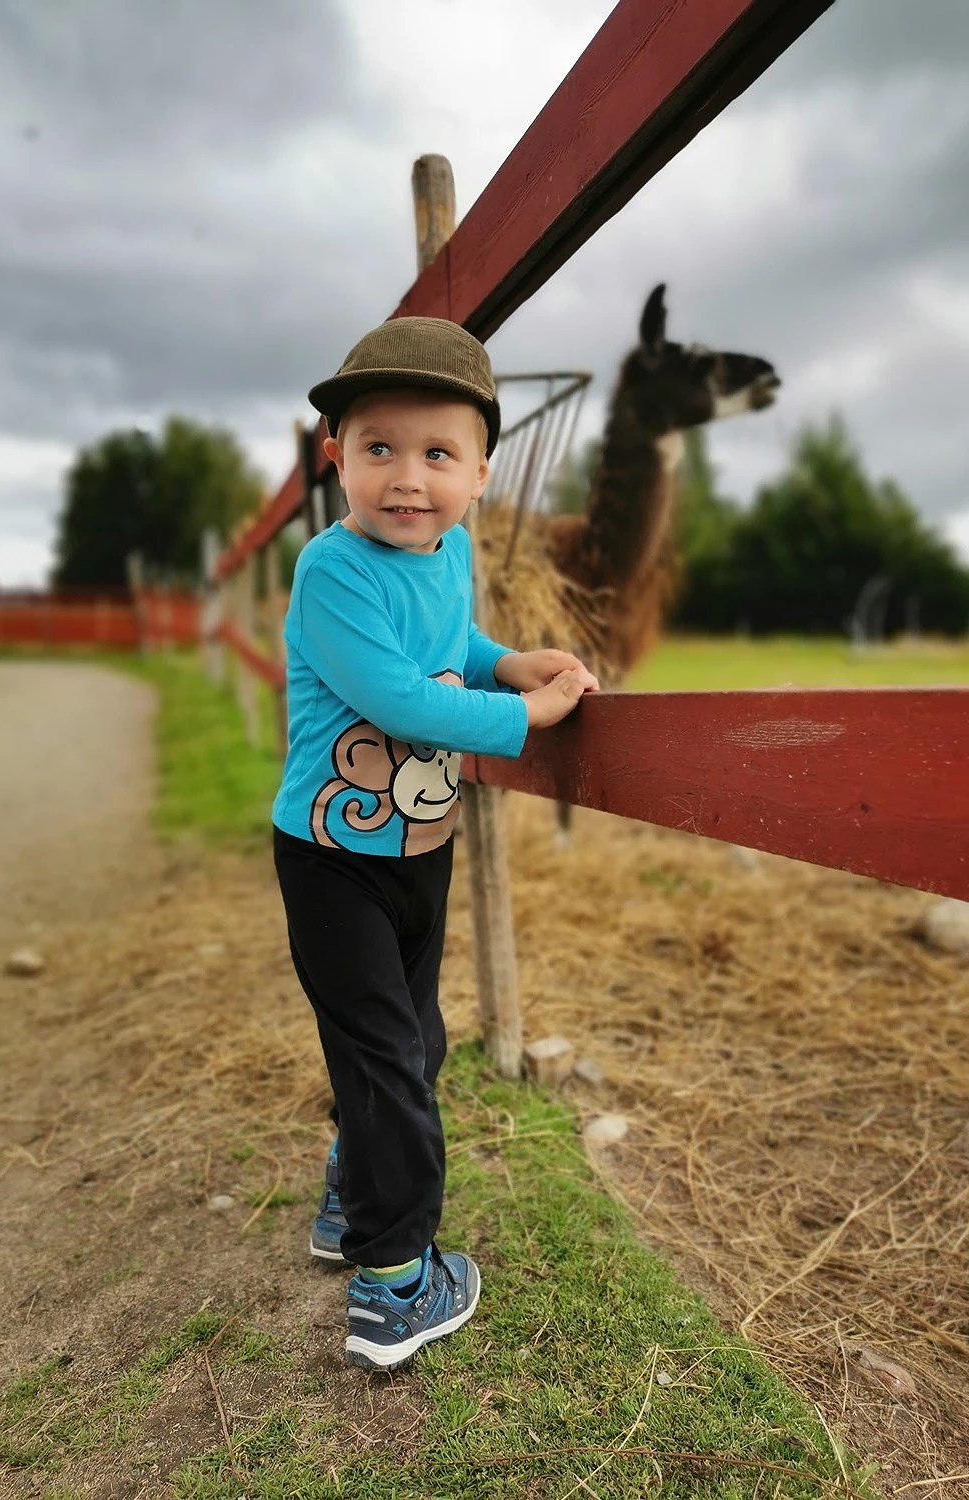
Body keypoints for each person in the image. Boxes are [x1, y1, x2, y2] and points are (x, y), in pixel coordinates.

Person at [271, 315, 597, 1370]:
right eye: (381, 448)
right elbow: (399, 696)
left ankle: (349, 1194)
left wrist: (505, 663)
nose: (408, 478)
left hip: (419, 848)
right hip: (332, 862)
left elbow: (445, 642)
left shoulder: (448, 551)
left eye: (438, 454)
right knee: (386, 1065)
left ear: (480, 475)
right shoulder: (332, 572)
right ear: (339, 456)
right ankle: (395, 1284)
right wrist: (525, 717)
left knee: (415, 1044)